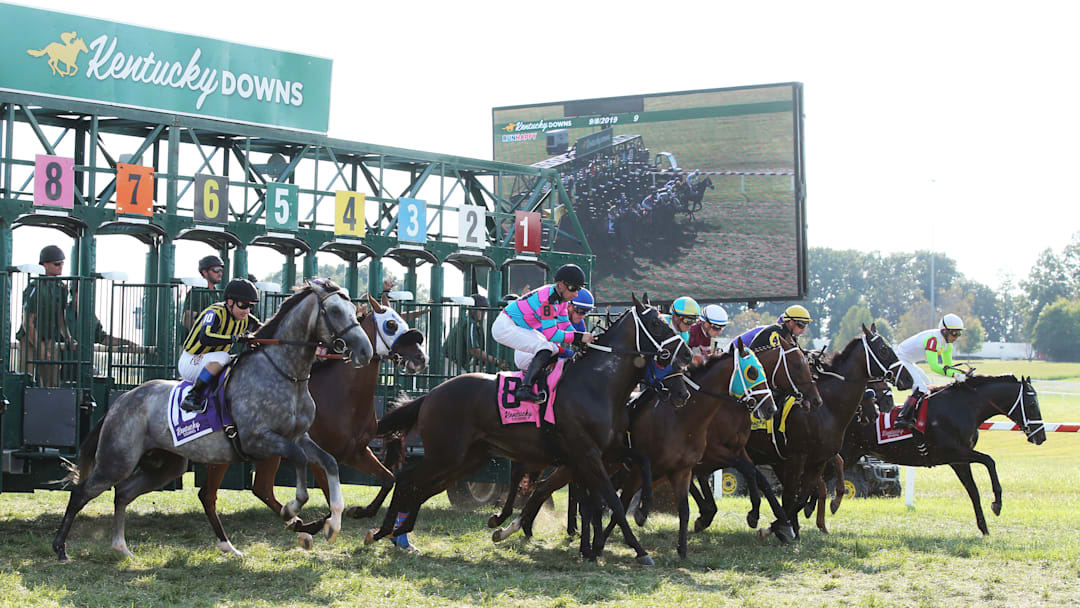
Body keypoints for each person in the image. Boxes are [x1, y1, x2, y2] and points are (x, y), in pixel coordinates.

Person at [492, 264, 594, 402]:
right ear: (561, 285)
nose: (576, 294)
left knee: (551, 348)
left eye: (579, 289)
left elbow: (565, 326)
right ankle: (524, 389)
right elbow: (551, 334)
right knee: (546, 347)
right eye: (573, 288)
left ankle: (539, 383)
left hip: (520, 327)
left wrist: (582, 343)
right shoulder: (549, 300)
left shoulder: (561, 300)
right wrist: (579, 337)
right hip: (505, 326)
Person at [179, 278, 262, 413]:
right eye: (243, 305)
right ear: (230, 302)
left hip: (210, 360)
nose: (247, 311)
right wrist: (235, 338)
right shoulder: (214, 313)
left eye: (250, 306)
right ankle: (193, 396)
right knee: (223, 357)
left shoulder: (245, 318)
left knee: (239, 360)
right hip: (191, 360)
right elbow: (205, 337)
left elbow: (264, 330)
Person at [893, 313, 966, 430]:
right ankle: (902, 418)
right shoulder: (933, 340)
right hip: (901, 359)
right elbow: (934, 367)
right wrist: (955, 374)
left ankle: (921, 416)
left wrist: (962, 373)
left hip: (910, 361)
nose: (956, 337)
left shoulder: (948, 345)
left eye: (959, 333)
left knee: (929, 386)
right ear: (945, 331)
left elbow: (948, 367)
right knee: (920, 387)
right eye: (954, 333)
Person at [19, 245, 74, 387]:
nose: (61, 267)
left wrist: (68, 337)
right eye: (57, 264)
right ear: (44, 265)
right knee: (26, 380)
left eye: (62, 263)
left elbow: (60, 318)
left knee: (52, 382)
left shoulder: (61, 287)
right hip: (30, 339)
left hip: (49, 339)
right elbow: (27, 322)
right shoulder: (35, 287)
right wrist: (40, 348)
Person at [446, 294, 503, 372]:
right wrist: (496, 361)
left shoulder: (471, 321)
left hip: (453, 363)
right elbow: (473, 350)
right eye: (481, 310)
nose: (484, 313)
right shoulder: (470, 323)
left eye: (485, 310)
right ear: (472, 309)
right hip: (450, 364)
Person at [182, 254, 225, 335]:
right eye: (216, 270)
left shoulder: (215, 293)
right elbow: (187, 320)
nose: (219, 273)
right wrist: (205, 335)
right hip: (193, 344)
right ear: (204, 272)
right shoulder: (197, 291)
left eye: (221, 270)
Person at [743, 304, 812, 349]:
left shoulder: (789, 335)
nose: (804, 330)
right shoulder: (776, 333)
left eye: (806, 325)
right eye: (802, 325)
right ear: (791, 322)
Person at [558, 287, 595, 360]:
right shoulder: (554, 315)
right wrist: (571, 354)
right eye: (582, 311)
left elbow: (582, 343)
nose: (583, 316)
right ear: (569, 307)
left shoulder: (578, 320)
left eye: (587, 312)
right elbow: (549, 347)